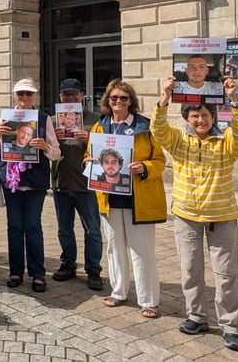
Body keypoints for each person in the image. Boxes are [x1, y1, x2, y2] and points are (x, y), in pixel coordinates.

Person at [152, 75, 238, 352]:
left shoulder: (226, 143)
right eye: (195, 115)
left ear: (213, 117)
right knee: (190, 271)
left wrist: (234, 99)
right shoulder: (177, 141)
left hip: (221, 217)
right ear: (187, 119)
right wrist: (165, 97)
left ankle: (230, 326)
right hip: (186, 216)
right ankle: (196, 317)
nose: (200, 120)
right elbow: (158, 129)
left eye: (205, 115)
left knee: (226, 274)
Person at [85, 78, 166, 319]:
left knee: (142, 251)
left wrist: (144, 166)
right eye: (113, 98)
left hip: (137, 198)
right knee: (114, 248)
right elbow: (90, 156)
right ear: (107, 101)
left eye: (123, 98)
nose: (118, 102)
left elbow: (160, 161)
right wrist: (88, 162)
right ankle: (119, 291)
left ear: (131, 101)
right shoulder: (100, 127)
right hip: (109, 197)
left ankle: (148, 299)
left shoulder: (145, 127)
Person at [0, 78, 60, 292]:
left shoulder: (43, 119)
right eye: (20, 93)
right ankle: (15, 272)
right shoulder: (6, 119)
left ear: (34, 96)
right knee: (14, 227)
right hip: (11, 182)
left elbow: (57, 153)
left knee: (32, 226)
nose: (24, 98)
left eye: (28, 94)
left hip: (35, 182)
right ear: (14, 95)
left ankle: (37, 274)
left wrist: (45, 147)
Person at [50, 78, 103, 291]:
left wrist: (90, 138)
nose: (70, 97)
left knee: (92, 230)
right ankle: (68, 263)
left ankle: (93, 269)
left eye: (74, 93)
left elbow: (109, 151)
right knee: (64, 228)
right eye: (66, 94)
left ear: (82, 95)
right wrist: (50, 140)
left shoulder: (96, 120)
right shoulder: (52, 121)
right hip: (61, 182)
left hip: (87, 184)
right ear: (60, 96)